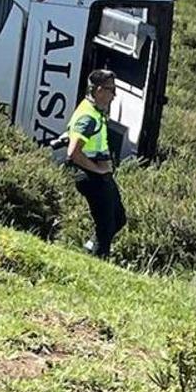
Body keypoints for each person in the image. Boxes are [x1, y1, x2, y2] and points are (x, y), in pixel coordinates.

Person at [66, 69, 126, 259]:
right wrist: (98, 169)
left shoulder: (95, 111)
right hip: (91, 176)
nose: (114, 95)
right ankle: (97, 260)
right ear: (99, 90)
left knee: (118, 218)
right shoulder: (88, 117)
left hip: (101, 174)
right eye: (111, 90)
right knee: (106, 227)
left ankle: (90, 249)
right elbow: (73, 153)